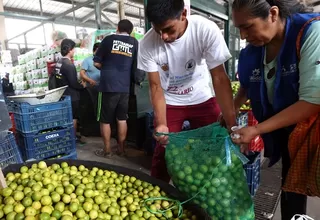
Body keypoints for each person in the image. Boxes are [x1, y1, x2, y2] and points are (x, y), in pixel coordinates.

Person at [229, 0, 320, 219]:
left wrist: (257, 130)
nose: (242, 36)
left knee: (305, 180)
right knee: (291, 185)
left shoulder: (310, 32)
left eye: (247, 26)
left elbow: (312, 100)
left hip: (309, 130)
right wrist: (229, 111)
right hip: (285, 129)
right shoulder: (255, 49)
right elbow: (246, 86)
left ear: (272, 14)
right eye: (238, 29)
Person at [138, 0, 237, 183]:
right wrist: (161, 123)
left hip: (202, 97)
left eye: (169, 29)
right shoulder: (147, 44)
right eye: (159, 30)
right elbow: (155, 86)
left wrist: (232, 122)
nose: (164, 37)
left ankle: (210, 192)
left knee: (212, 146)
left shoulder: (205, 30)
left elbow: (220, 78)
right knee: (164, 152)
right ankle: (158, 192)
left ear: (183, 14)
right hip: (170, 101)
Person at [93, 19, 139, 157]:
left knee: (105, 120)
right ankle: (121, 149)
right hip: (124, 87)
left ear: (118, 27)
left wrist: (107, 68)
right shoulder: (134, 43)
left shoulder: (109, 39)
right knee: (122, 119)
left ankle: (107, 151)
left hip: (108, 86)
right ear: (130, 31)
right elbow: (137, 65)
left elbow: (96, 62)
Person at [56, 38, 85, 143]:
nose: (74, 51)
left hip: (62, 94)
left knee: (66, 117)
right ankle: (72, 138)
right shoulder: (69, 64)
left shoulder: (59, 62)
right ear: (69, 50)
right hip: (71, 96)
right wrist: (83, 85)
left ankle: (68, 136)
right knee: (73, 117)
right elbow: (73, 83)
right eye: (73, 49)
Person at [80, 42, 101, 115]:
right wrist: (90, 80)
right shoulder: (87, 60)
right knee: (94, 104)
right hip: (92, 87)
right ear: (94, 50)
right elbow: (82, 73)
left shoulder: (104, 60)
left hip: (102, 86)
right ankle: (95, 120)